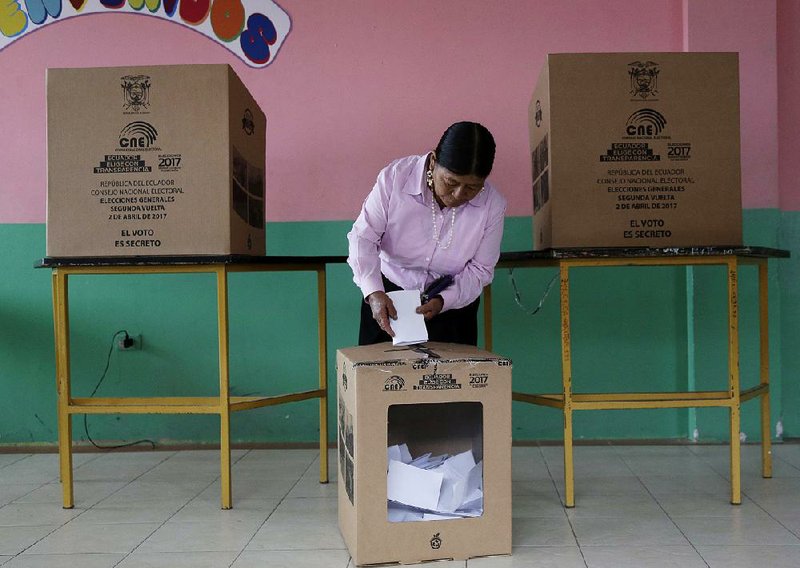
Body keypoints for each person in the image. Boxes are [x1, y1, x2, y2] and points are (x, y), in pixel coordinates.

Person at [347, 121, 507, 346]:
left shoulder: (492, 205)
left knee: (452, 379)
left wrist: (444, 300)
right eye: (451, 182)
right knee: (380, 377)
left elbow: (480, 269)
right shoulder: (395, 178)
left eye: (472, 187)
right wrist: (373, 292)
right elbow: (363, 237)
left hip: (452, 304)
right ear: (433, 161)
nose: (459, 193)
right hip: (388, 296)